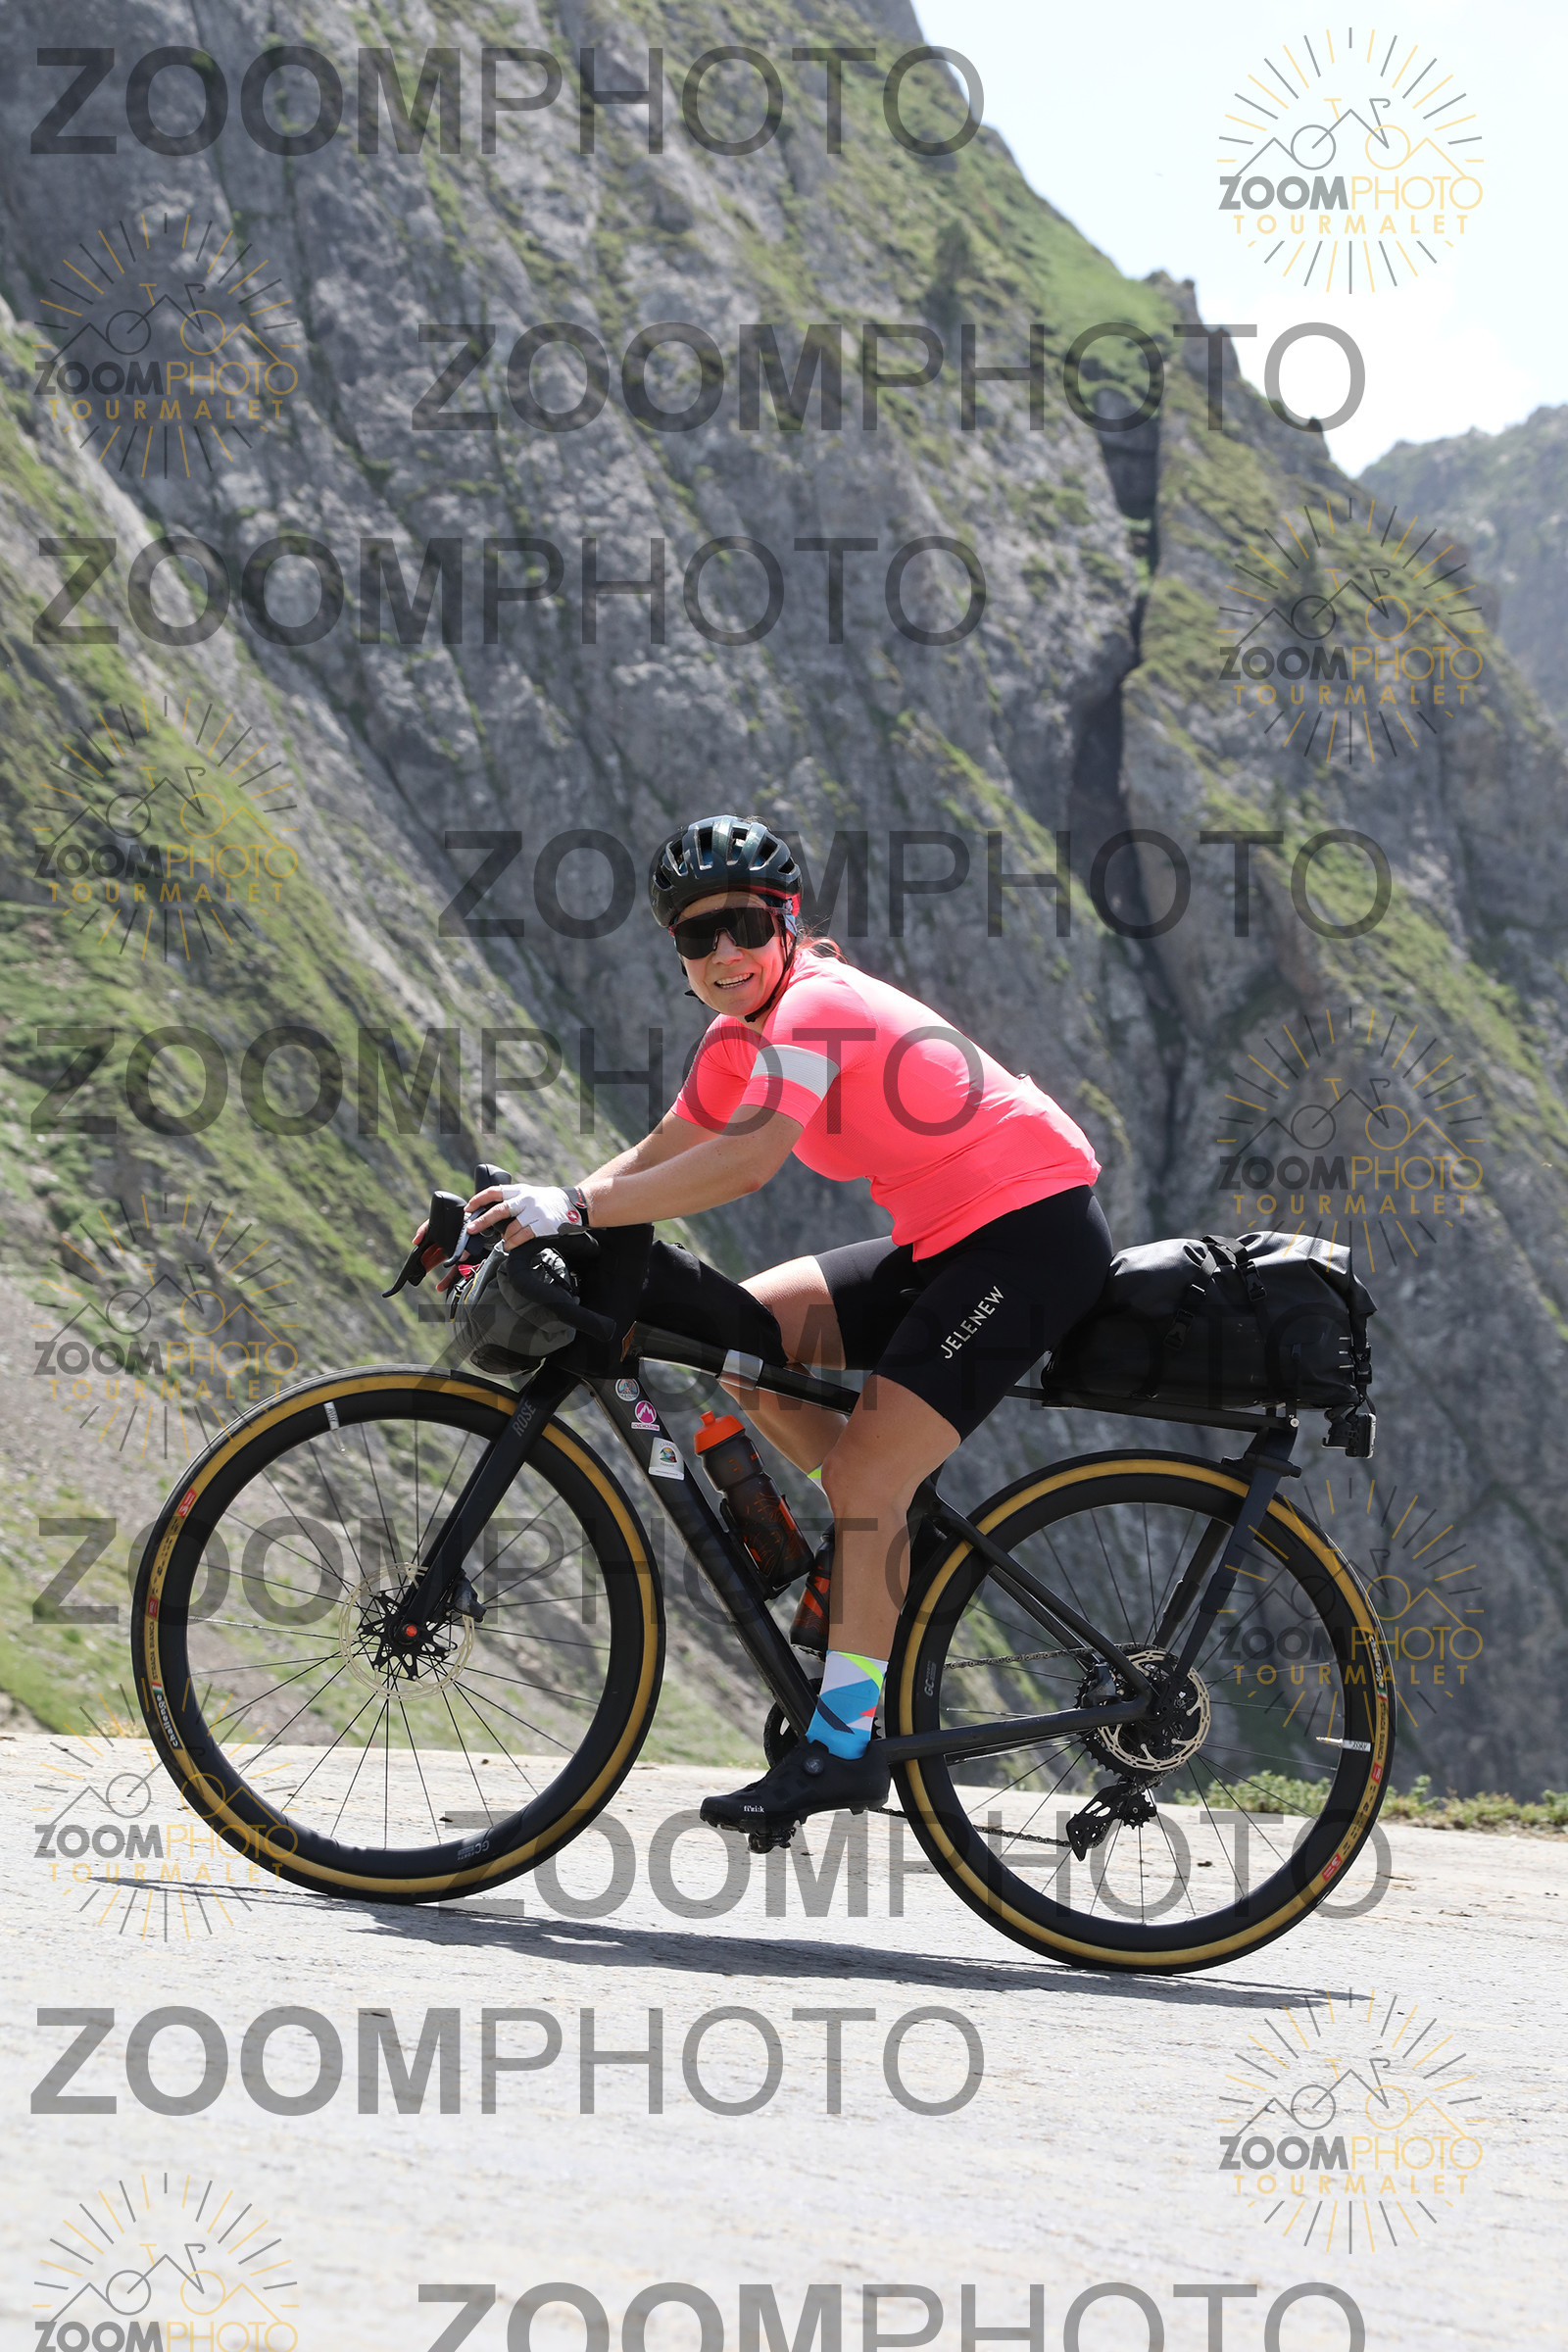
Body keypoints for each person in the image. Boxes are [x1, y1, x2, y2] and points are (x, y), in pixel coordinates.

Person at [460, 813, 1113, 1839]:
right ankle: (876, 1541)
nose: (724, 951)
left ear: (787, 924)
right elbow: (664, 1149)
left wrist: (575, 1209)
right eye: (697, 934)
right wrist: (534, 1214)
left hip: (1029, 1235)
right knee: (748, 1349)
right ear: (677, 951)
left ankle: (845, 1742)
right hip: (941, 1238)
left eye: (746, 926)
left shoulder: (818, 1003)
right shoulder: (739, 1037)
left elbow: (745, 1162)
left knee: (863, 1479)